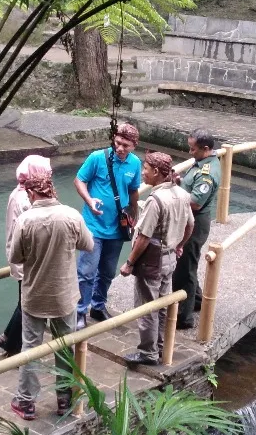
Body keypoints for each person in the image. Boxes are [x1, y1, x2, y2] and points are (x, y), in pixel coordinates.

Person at [7, 168, 94, 420]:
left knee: (31, 348)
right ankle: (64, 400)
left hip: (34, 295)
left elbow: (15, 257)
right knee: (64, 347)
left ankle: (25, 402)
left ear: (33, 193)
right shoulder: (71, 215)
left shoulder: (25, 221)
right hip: (64, 295)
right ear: (52, 190)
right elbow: (88, 245)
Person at [119, 152, 194, 367]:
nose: (143, 172)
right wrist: (179, 245)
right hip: (170, 258)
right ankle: (160, 347)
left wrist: (130, 263)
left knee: (147, 307)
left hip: (152, 261)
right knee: (162, 305)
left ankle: (148, 353)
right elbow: (190, 225)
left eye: (146, 168)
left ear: (156, 172)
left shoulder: (155, 200)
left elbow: (143, 237)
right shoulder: (181, 193)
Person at [74, 123, 142, 326]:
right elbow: (79, 180)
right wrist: (89, 200)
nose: (120, 148)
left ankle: (98, 305)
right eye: (118, 142)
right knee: (87, 271)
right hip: (93, 226)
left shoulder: (135, 163)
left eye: (126, 145)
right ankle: (79, 311)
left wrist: (134, 213)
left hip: (117, 227)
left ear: (134, 146)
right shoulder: (97, 158)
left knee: (107, 271)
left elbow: (133, 191)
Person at [0, 155, 52, 357]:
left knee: (23, 300)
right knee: (26, 303)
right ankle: (12, 343)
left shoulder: (19, 192)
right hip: (27, 259)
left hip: (20, 255)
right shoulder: (27, 200)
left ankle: (8, 338)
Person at [173, 128, 221, 330]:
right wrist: (180, 183)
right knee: (188, 264)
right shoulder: (203, 163)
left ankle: (184, 318)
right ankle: (197, 301)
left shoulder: (207, 174)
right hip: (192, 221)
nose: (190, 152)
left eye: (193, 149)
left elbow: (195, 203)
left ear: (206, 149)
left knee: (185, 269)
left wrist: (175, 192)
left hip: (195, 223)